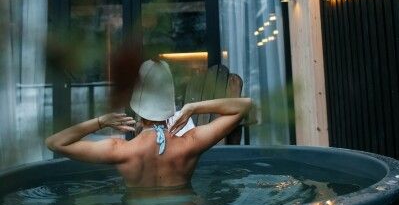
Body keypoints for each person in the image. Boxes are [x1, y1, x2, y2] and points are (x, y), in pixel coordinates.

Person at [45, 60, 252, 192]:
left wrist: (100, 122)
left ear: (138, 111)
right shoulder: (191, 143)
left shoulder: (120, 150)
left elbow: (55, 143)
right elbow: (244, 106)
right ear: (169, 108)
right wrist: (193, 108)